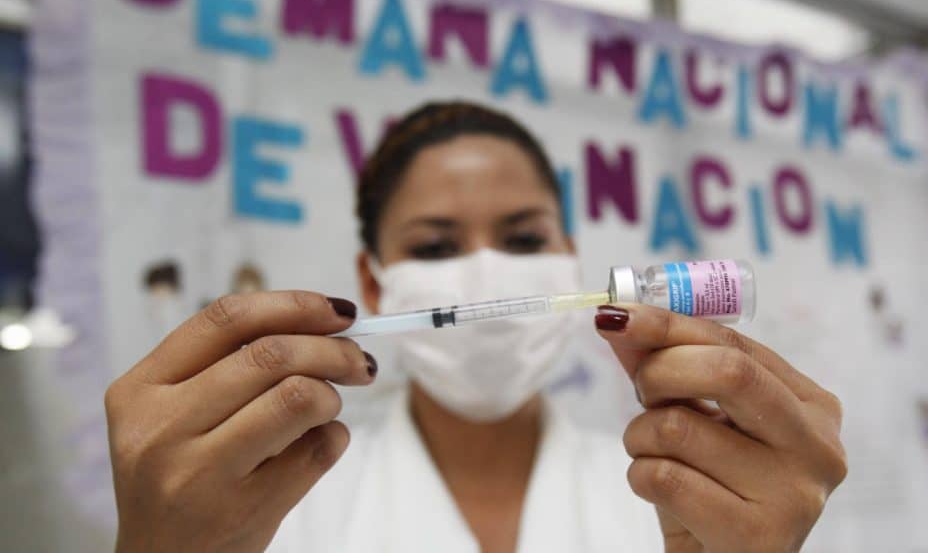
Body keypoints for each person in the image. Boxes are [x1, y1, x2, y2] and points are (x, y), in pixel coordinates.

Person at [104, 101, 847, 552]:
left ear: (570, 259)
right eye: (434, 247)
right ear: (373, 282)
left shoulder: (681, 490)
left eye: (525, 240)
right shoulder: (269, 505)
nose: (489, 276)